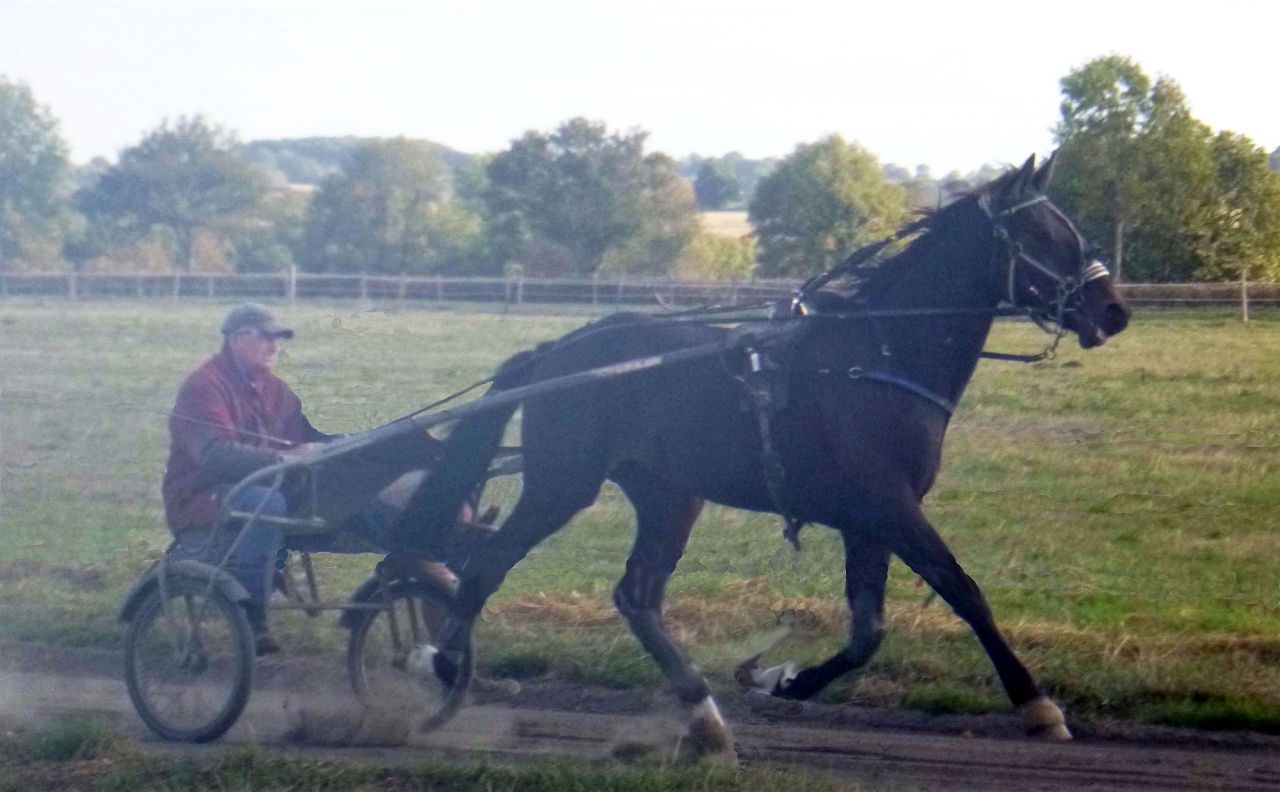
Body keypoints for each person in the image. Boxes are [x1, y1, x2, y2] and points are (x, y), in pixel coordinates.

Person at [163, 303, 455, 655]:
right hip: (204, 496)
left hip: (276, 486)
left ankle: (423, 561)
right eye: (267, 338)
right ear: (238, 339)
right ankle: (251, 616)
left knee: (357, 498)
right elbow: (215, 454)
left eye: (278, 340)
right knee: (268, 503)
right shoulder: (204, 386)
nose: (275, 347)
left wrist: (349, 445)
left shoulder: (276, 390)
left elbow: (306, 437)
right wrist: (282, 458)